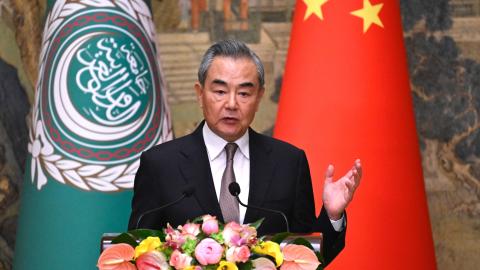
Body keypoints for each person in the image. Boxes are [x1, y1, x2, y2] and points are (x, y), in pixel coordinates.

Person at [128, 40, 362, 265]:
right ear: (200, 94)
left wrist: (332, 216)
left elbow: (307, 257)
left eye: (244, 93)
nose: (231, 104)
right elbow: (140, 252)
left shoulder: (289, 163)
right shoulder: (160, 165)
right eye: (220, 91)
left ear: (259, 97)